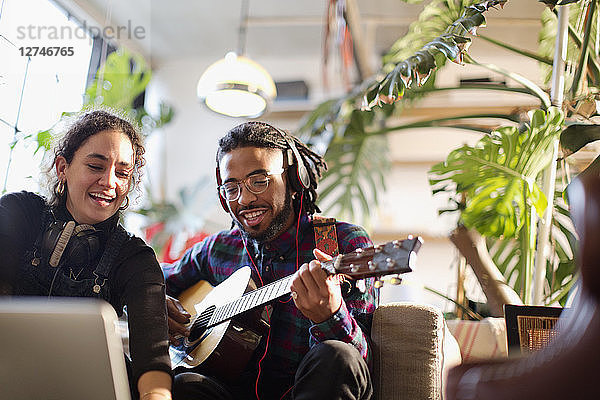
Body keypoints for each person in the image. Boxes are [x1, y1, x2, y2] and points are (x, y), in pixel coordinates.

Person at [163, 121, 378, 400]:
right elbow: (157, 278)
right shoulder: (218, 249)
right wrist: (154, 299)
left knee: (338, 356)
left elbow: (362, 362)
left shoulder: (342, 244)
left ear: (292, 181)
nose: (245, 199)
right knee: (183, 382)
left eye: (259, 181)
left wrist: (330, 316)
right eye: (232, 187)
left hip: (304, 391)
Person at [0, 110, 172, 400]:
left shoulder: (136, 258)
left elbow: (152, 361)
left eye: (122, 173)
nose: (109, 182)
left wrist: (155, 396)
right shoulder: (19, 213)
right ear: (62, 168)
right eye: (95, 166)